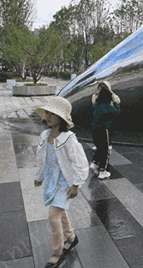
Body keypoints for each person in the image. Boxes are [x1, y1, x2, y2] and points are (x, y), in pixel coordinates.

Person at [34, 97, 89, 268]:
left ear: (61, 118)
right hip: (51, 181)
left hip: (64, 182)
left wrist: (76, 184)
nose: (48, 116)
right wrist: (39, 176)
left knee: (53, 216)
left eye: (52, 114)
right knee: (60, 211)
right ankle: (71, 237)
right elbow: (41, 158)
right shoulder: (45, 135)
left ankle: (57, 253)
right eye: (47, 113)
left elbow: (80, 162)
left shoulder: (68, 138)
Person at [90, 80, 120, 180]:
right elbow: (117, 111)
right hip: (103, 130)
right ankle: (102, 171)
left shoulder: (96, 105)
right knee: (105, 150)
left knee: (99, 147)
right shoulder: (108, 107)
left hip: (94, 129)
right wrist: (114, 101)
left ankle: (94, 163)